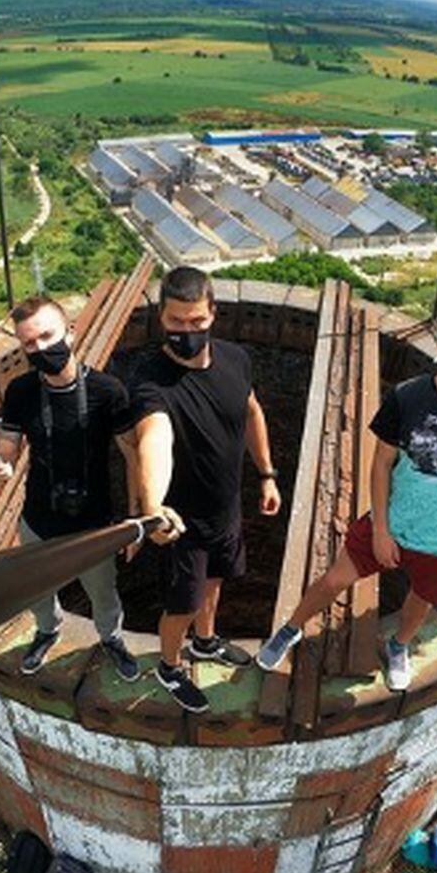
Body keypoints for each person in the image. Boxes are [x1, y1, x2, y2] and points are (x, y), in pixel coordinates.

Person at [258, 307, 437, 693]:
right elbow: (382, 463)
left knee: (422, 597)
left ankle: (398, 647)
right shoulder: (409, 396)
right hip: (395, 521)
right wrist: (381, 529)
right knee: (334, 579)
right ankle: (291, 628)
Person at [128, 266, 281, 714]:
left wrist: (267, 473)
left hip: (226, 509)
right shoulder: (150, 380)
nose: (187, 332)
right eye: (177, 322)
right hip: (181, 525)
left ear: (213, 313)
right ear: (162, 319)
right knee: (182, 604)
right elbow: (154, 439)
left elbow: (251, 411)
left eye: (197, 321)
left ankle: (206, 641)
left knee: (215, 582)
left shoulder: (235, 358)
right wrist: (154, 507)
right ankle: (171, 666)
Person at [0, 294, 140, 680]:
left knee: (103, 591)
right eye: (29, 343)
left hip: (93, 522)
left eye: (47, 336)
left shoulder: (108, 391)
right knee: (38, 587)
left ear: (70, 333)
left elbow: (132, 454)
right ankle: (47, 629)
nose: (40, 348)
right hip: (39, 517)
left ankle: (110, 637)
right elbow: (9, 442)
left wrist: (135, 516)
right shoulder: (21, 391)